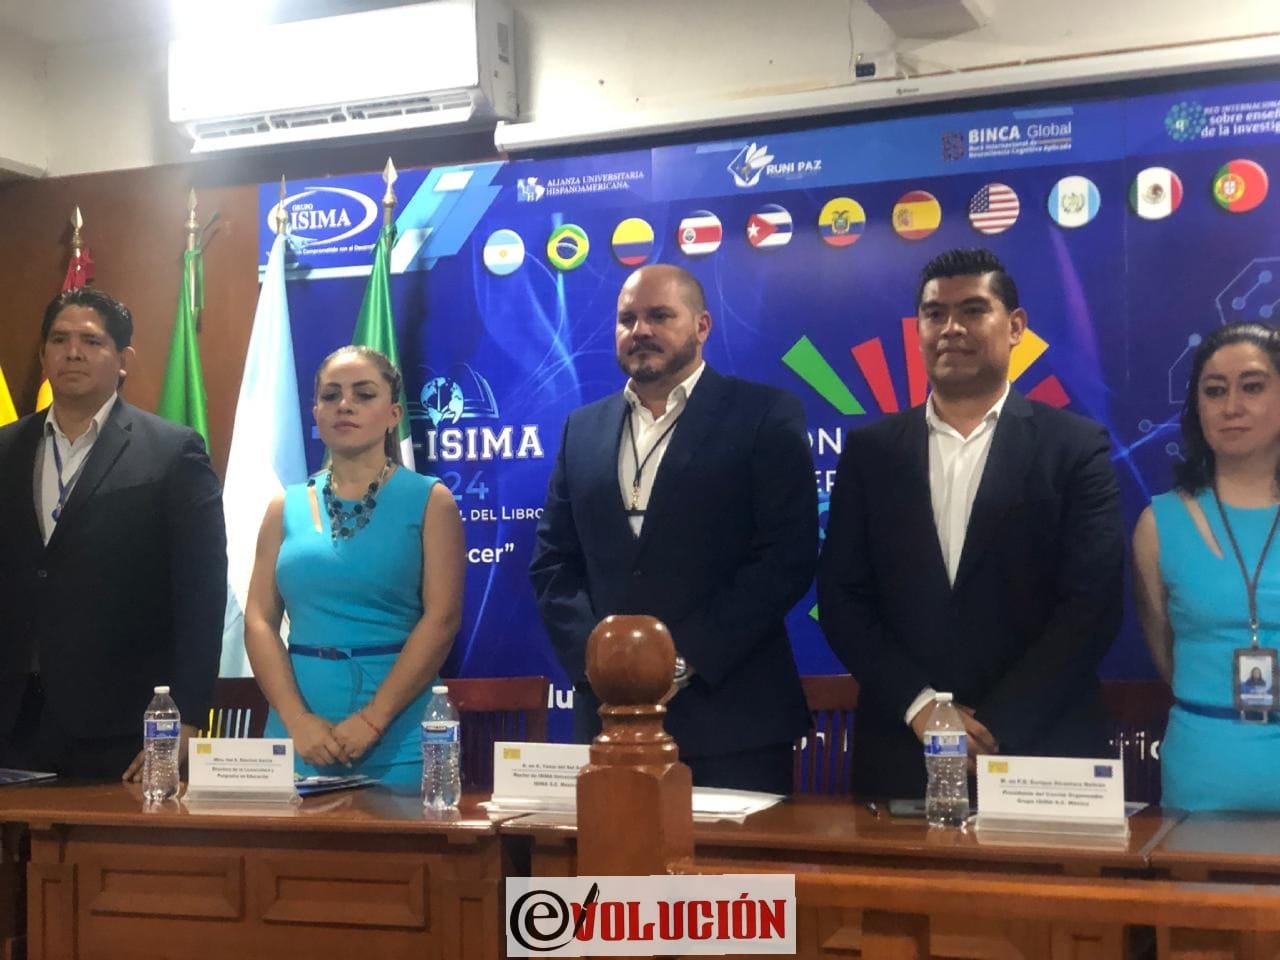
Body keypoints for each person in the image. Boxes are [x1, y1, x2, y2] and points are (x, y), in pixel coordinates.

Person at [817, 248, 1124, 799]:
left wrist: (995, 726)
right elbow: (843, 599)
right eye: (934, 314)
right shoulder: (871, 453)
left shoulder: (1075, 447)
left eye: (973, 310)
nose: (951, 328)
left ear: (1016, 327)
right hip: (903, 748)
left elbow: (1092, 605)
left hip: (1041, 751)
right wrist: (923, 708)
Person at [529, 263, 818, 794]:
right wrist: (605, 670)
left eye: (660, 316)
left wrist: (677, 663)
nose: (641, 330)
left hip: (732, 722)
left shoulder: (764, 415)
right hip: (608, 723)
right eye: (627, 319)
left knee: (736, 857)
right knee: (610, 854)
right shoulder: (582, 429)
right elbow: (553, 562)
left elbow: (787, 556)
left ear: (702, 325)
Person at [0, 287, 226, 779]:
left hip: (120, 722)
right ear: (42, 355)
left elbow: (202, 594)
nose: (73, 352)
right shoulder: (6, 448)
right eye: (59, 339)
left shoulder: (172, 452)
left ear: (123, 360)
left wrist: (189, 715)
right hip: (13, 718)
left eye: (91, 341)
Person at [244, 346, 464, 786]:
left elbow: (442, 619)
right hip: (298, 733)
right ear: (316, 413)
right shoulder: (282, 507)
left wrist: (373, 719)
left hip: (398, 737)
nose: (344, 405)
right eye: (331, 395)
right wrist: (297, 720)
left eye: (363, 394)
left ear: (393, 414)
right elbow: (259, 621)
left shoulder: (430, 500)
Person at [1133, 322, 1280, 811]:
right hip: (1202, 777)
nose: (1231, 406)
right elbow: (1165, 654)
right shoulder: (1158, 525)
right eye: (1214, 391)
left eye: (1252, 387)